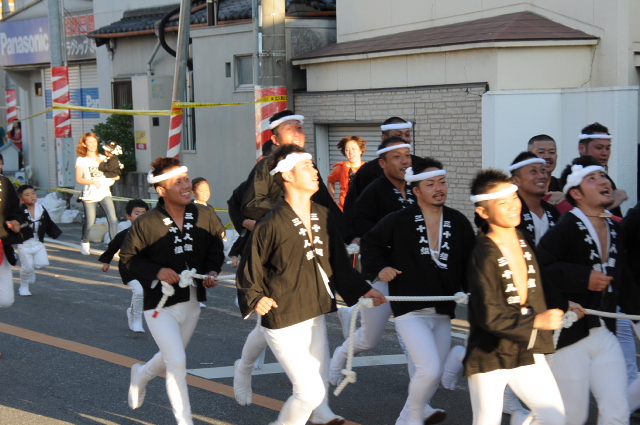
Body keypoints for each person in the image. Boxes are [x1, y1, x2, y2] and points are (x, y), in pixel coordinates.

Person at [236, 144, 386, 425]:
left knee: (319, 383)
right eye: (306, 167)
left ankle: (319, 416)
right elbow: (250, 266)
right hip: (282, 314)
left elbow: (339, 264)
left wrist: (364, 289)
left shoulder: (323, 215)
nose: (315, 172)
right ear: (288, 176)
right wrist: (256, 297)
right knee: (309, 392)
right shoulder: (271, 222)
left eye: (313, 166)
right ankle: (244, 369)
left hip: (314, 309)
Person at [361, 157, 475, 425]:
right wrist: (381, 268)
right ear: (416, 190)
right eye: (430, 184)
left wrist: (474, 293)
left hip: (443, 310)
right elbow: (370, 243)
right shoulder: (399, 220)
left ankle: (407, 416)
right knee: (429, 369)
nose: (439, 188)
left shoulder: (458, 221)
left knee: (433, 375)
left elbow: (471, 262)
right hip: (410, 310)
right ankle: (411, 418)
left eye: (442, 182)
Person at [120, 157, 225, 425]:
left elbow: (215, 248)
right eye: (177, 182)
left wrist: (212, 272)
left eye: (186, 179)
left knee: (170, 358)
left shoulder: (204, 214)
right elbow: (129, 257)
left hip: (191, 301)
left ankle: (141, 374)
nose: (186, 185)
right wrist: (157, 271)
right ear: (161, 190)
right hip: (160, 304)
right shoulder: (147, 222)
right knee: (177, 362)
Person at [537, 157, 640, 424]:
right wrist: (583, 277)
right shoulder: (566, 227)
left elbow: (624, 282)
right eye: (592, 179)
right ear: (576, 194)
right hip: (570, 334)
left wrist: (638, 317)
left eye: (603, 176)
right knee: (573, 415)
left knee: (617, 409)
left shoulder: (614, 228)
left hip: (605, 331)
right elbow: (539, 266)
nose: (603, 182)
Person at [464, 169, 566, 425]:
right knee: (487, 420)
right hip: (490, 350)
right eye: (502, 202)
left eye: (513, 198)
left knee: (554, 417)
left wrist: (565, 304)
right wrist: (537, 321)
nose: (512, 206)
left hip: (525, 346)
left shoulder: (522, 237)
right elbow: (488, 315)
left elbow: (541, 282)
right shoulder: (482, 254)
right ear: (483, 212)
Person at [342, 117, 414, 218]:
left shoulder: (421, 167)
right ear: (384, 138)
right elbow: (353, 211)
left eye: (407, 135)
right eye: (398, 136)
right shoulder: (368, 172)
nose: (404, 139)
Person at [98, 199, 149, 333]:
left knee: (145, 293)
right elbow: (112, 248)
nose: (141, 216)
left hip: (146, 269)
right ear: (128, 216)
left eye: (144, 213)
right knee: (139, 291)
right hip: (128, 268)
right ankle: (137, 321)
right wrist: (106, 262)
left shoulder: (153, 233)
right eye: (137, 213)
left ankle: (132, 311)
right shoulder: (124, 235)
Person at [75, 132, 118, 255]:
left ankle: (114, 246)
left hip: (104, 192)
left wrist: (115, 176)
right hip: (90, 194)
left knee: (113, 219)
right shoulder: (81, 160)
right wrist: (93, 182)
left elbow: (114, 174)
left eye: (95, 141)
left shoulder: (103, 158)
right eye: (90, 142)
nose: (93, 144)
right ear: (84, 144)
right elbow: (79, 179)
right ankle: (85, 242)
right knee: (90, 222)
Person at [15, 185, 61, 297]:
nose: (32, 196)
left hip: (38, 242)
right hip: (24, 243)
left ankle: (31, 271)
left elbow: (48, 223)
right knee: (27, 267)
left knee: (43, 263)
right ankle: (23, 286)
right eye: (27, 195)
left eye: (33, 193)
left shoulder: (41, 208)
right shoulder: (18, 211)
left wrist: (54, 233)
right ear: (21, 200)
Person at [576, 122, 627, 216]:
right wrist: (614, 201)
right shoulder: (574, 179)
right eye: (599, 148)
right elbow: (583, 217)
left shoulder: (606, 179)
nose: (605, 153)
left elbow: (609, 217)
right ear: (582, 148)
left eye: (607, 148)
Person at [0, 172, 24, 309]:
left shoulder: (4, 183)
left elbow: (15, 208)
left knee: (6, 300)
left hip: (1, 244)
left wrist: (14, 220)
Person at [327, 136, 366, 211]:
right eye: (347, 150)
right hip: (344, 211)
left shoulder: (368, 169)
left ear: (361, 150)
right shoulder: (340, 169)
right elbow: (330, 181)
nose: (350, 152)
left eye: (354, 149)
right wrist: (332, 198)